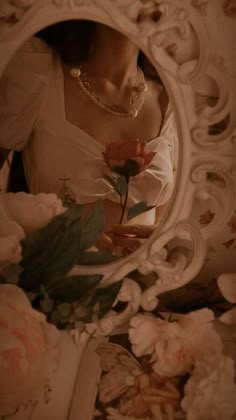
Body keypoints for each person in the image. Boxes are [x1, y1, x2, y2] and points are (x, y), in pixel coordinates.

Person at [0, 20, 177, 253]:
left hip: (142, 280)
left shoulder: (170, 96)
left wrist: (160, 236)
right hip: (50, 280)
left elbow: (168, 212)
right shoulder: (36, 72)